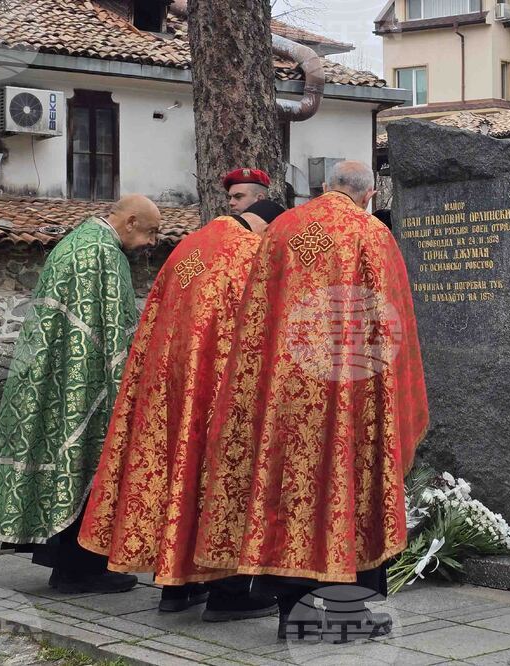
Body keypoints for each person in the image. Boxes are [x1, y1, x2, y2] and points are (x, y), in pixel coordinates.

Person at [193, 161, 429, 640]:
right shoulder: (371, 233)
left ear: (324, 189)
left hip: (283, 396)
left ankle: (291, 614)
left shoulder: (280, 229)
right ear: (369, 194)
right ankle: (346, 613)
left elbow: (255, 320)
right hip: (350, 396)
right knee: (347, 493)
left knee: (288, 494)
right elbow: (391, 324)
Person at [77, 201, 285, 620]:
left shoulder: (190, 246)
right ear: (266, 226)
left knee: (180, 482)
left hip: (169, 392)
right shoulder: (246, 252)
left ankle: (176, 590)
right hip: (219, 393)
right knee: (221, 484)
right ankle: (230, 594)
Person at [0, 194, 161, 594]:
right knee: (86, 465)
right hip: (86, 384)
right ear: (129, 222)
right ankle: (82, 570)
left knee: (64, 464)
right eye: (151, 232)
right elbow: (119, 331)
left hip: (54, 377)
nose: (151, 243)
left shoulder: (73, 243)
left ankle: (67, 566)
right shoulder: (106, 256)